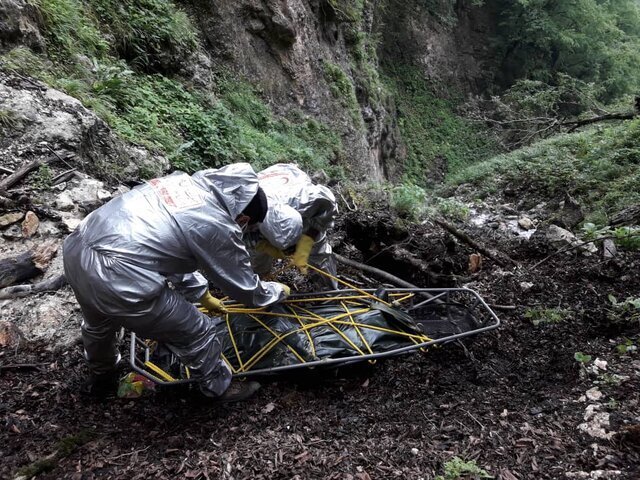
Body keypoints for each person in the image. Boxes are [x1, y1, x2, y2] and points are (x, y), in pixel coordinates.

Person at [63, 163, 290, 401]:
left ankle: (102, 375)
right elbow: (243, 287)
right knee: (198, 330)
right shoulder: (216, 223)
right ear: (243, 217)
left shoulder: (181, 184)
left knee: (98, 324)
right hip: (117, 275)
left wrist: (202, 294)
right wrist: (274, 292)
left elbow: (166, 249)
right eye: (249, 226)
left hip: (78, 247)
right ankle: (218, 387)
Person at [247, 163, 339, 289]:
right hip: (269, 182)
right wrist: (258, 243)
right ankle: (260, 286)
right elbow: (238, 237)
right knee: (256, 256)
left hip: (290, 178)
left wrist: (309, 238)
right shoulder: (248, 209)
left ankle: (330, 290)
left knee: (318, 252)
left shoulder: (306, 200)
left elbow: (329, 205)